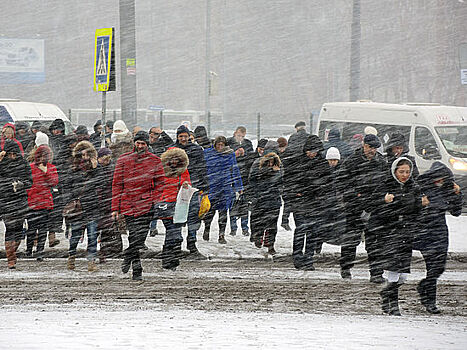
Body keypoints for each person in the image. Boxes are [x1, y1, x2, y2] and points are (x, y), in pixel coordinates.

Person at [369, 157, 425, 316]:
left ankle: (386, 293)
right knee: (394, 269)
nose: (405, 175)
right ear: (394, 171)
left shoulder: (413, 187)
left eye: (407, 171)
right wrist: (384, 201)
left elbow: (417, 210)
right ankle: (393, 305)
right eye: (401, 172)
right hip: (389, 232)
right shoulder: (385, 186)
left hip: (406, 233)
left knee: (404, 275)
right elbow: (371, 206)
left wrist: (419, 209)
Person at [112, 131, 164, 281]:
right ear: (134, 143)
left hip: (146, 205)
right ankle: (137, 268)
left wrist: (153, 198)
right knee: (133, 236)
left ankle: (128, 256)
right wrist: (115, 207)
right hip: (128, 204)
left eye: (143, 143)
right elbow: (117, 184)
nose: (140, 146)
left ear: (147, 144)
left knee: (139, 238)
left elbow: (160, 183)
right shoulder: (123, 160)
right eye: (138, 143)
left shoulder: (154, 161)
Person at [414, 162, 463, 314]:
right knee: (432, 267)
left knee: (439, 267)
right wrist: (420, 204)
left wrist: (457, 195)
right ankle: (430, 301)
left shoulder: (447, 189)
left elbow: (456, 212)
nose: (441, 181)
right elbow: (411, 208)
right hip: (424, 231)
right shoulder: (422, 188)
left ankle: (425, 286)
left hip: (440, 232)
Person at [339, 134, 387, 281]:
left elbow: (386, 182)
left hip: (374, 207)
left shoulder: (381, 162)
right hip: (355, 207)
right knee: (351, 240)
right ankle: (346, 268)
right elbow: (343, 183)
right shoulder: (352, 161)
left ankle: (376, 273)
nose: (372, 150)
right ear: (364, 145)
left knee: (375, 242)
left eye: (375, 148)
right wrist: (355, 197)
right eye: (370, 147)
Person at [291, 135, 332, 270]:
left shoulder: (322, 164)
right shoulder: (298, 162)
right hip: (301, 202)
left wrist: (322, 196)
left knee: (313, 233)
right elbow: (291, 181)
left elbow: (328, 184)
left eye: (315, 151)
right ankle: (297, 257)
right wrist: (296, 193)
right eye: (310, 151)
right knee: (301, 230)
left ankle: (308, 258)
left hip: (316, 203)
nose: (312, 154)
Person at [63, 141, 104, 272]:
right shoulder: (74, 169)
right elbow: (67, 186)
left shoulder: (96, 169)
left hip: (92, 207)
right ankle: (71, 257)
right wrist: (71, 200)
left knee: (92, 236)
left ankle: (91, 261)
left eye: (87, 154)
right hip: (78, 207)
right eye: (82, 154)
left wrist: (95, 168)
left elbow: (102, 182)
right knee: (75, 235)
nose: (84, 157)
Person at [172, 125, 209, 257]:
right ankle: (176, 245)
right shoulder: (173, 150)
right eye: (181, 136)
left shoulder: (197, 150)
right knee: (177, 217)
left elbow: (202, 168)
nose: (183, 138)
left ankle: (192, 243)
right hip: (177, 188)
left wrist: (204, 186)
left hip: (193, 187)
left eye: (185, 136)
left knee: (193, 217)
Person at [203, 136, 243, 244]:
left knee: (223, 213)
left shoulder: (229, 154)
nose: (220, 147)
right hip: (211, 186)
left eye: (222, 145)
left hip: (225, 187)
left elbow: (235, 170)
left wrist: (238, 187)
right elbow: (203, 169)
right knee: (209, 212)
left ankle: (221, 235)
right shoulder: (208, 153)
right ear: (214, 144)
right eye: (218, 144)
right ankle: (207, 230)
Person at [157, 147, 191, 269]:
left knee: (174, 233)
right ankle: (170, 258)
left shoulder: (183, 171)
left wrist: (186, 186)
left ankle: (170, 257)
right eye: (172, 158)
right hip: (166, 205)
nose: (174, 161)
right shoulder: (161, 170)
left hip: (179, 206)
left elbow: (187, 185)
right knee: (173, 232)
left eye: (177, 159)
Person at [0, 140, 32, 268]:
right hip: (6, 201)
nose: (12, 156)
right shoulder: (2, 164)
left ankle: (13, 252)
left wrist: (21, 184)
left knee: (18, 230)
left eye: (14, 153)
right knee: (9, 229)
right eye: (10, 154)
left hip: (20, 201)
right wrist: (8, 185)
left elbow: (30, 181)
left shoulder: (23, 164)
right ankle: (10, 259)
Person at [248, 141, 282, 255]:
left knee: (272, 224)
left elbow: (281, 180)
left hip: (273, 199)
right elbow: (252, 178)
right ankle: (259, 238)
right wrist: (270, 171)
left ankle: (270, 244)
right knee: (259, 222)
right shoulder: (258, 163)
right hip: (261, 198)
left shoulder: (279, 165)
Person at [26, 144, 59, 261]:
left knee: (42, 229)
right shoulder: (30, 167)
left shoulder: (51, 168)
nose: (42, 159)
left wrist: (46, 172)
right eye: (40, 156)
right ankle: (29, 249)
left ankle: (39, 251)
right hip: (33, 203)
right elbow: (27, 183)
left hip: (44, 204)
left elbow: (54, 182)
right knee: (31, 229)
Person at [226, 126, 254, 236]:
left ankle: (245, 228)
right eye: (239, 136)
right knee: (233, 204)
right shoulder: (229, 142)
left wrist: (245, 153)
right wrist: (234, 153)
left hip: (244, 176)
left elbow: (251, 158)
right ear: (234, 133)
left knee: (244, 205)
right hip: (232, 176)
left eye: (242, 136)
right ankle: (233, 227)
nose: (240, 138)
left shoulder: (247, 143)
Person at [97, 147, 122, 263]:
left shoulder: (112, 169)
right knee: (101, 229)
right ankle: (102, 251)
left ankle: (104, 252)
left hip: (107, 203)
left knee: (106, 229)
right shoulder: (98, 169)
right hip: (100, 203)